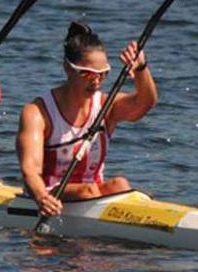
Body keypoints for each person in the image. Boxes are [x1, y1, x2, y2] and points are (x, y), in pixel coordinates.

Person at [16, 21, 157, 217]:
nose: (96, 82)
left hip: (92, 193)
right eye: (88, 74)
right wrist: (42, 198)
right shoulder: (37, 113)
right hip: (49, 193)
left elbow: (145, 103)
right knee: (87, 190)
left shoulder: (106, 107)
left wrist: (141, 68)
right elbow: (30, 170)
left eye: (103, 74)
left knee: (120, 183)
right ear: (67, 68)